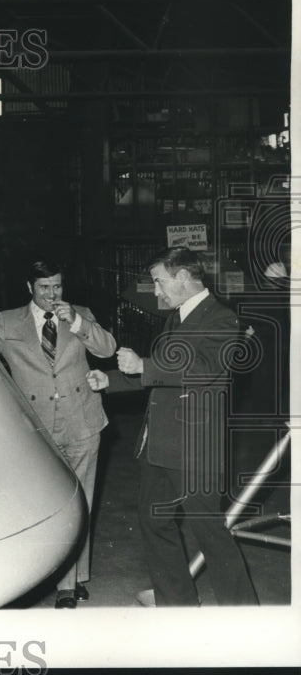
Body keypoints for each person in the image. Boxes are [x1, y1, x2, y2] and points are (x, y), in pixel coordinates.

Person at [86, 247, 258, 606]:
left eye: (159, 282)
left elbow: (208, 369)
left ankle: (244, 617)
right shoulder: (176, 318)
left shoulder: (221, 318)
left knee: (209, 533)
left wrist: (143, 367)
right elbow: (161, 375)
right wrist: (112, 380)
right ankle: (176, 602)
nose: (156, 290)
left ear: (182, 278)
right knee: (153, 522)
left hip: (195, 448)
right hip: (161, 445)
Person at [0, 259, 116, 609]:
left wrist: (78, 322)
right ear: (30, 288)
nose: (52, 294)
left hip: (82, 421)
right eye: (44, 288)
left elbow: (107, 349)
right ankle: (68, 577)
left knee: (82, 500)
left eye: (57, 286)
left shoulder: (79, 314)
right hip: (37, 426)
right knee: (52, 502)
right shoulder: (7, 321)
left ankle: (70, 583)